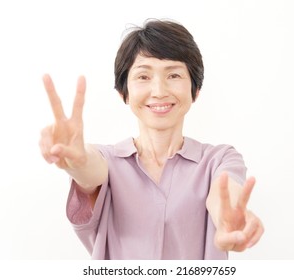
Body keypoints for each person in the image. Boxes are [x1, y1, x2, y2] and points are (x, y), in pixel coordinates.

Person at [39, 19, 264, 260]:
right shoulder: (107, 160)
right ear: (123, 92)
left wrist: (228, 221)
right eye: (143, 76)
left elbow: (224, 196)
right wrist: (78, 160)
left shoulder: (219, 159)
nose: (159, 90)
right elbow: (90, 170)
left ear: (195, 91)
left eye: (174, 75)